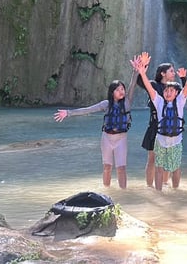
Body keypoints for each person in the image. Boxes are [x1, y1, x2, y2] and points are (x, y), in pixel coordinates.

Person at [53, 57, 139, 188]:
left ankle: (123, 194)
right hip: (107, 138)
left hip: (121, 139)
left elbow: (133, 84)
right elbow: (87, 110)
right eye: (117, 89)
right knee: (107, 167)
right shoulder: (106, 104)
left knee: (121, 168)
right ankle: (106, 192)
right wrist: (68, 113)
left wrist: (136, 71)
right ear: (112, 92)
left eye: (122, 89)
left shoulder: (127, 102)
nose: (121, 91)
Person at [135, 52, 187, 191]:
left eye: (171, 91)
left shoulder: (179, 101)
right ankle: (154, 190)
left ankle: (173, 190)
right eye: (166, 91)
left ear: (175, 93)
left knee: (174, 167)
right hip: (158, 134)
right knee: (156, 164)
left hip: (175, 139)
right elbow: (147, 86)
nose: (168, 93)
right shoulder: (158, 99)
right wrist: (142, 70)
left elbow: (186, 90)